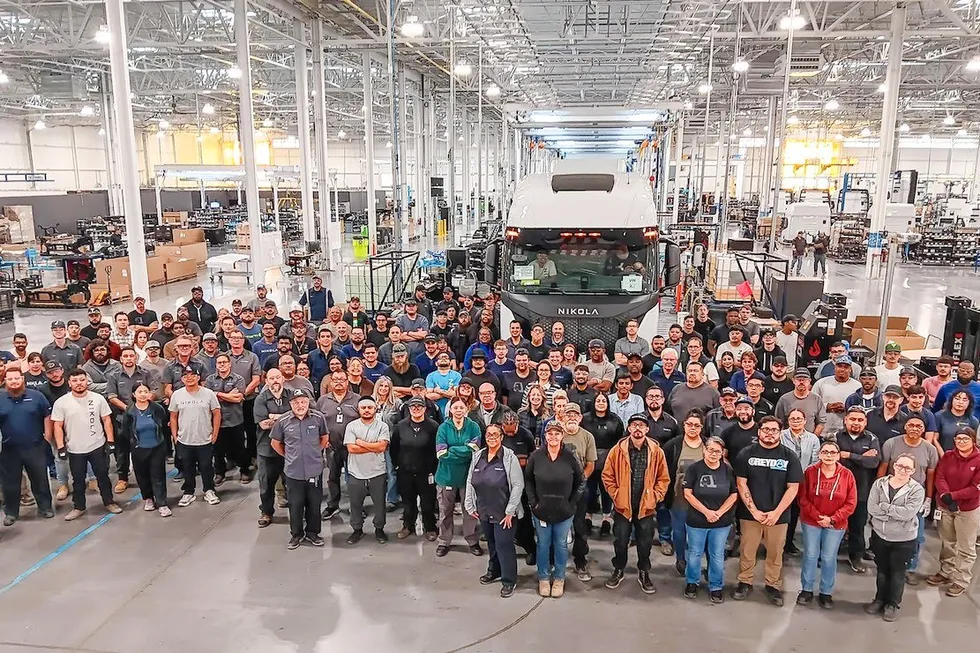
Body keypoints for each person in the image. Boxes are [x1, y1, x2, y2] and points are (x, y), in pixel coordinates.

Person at [732, 415, 803, 606]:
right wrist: (754, 510)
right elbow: (741, 483)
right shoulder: (746, 454)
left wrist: (776, 513)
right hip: (750, 514)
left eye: (774, 430)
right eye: (766, 429)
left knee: (775, 552)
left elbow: (793, 488)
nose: (769, 433)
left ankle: (773, 585)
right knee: (747, 550)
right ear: (759, 431)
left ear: (780, 433)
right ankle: (745, 581)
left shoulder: (789, 456)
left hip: (778, 516)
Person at [601, 414, 670, 594]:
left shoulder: (656, 451)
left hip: (646, 507)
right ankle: (619, 569)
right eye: (634, 425)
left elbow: (663, 478)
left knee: (645, 542)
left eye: (641, 425)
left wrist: (656, 496)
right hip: (623, 507)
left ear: (647, 429)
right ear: (629, 429)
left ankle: (644, 571)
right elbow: (607, 475)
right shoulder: (617, 450)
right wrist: (616, 494)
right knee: (621, 541)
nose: (638, 428)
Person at [52, 368, 122, 521]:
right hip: (75, 449)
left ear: (87, 381)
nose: (79, 383)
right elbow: (57, 426)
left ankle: (109, 502)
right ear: (69, 383)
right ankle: (79, 507)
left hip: (97, 446)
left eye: (82, 380)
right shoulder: (61, 402)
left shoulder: (98, 399)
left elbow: (106, 420)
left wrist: (110, 441)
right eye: (75, 381)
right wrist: (61, 447)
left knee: (103, 476)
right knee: (78, 480)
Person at [463, 424, 524, 599]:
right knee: (491, 543)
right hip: (483, 508)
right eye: (489, 434)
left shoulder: (509, 457)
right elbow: (470, 481)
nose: (492, 437)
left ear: (501, 437)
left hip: (504, 511)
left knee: (504, 545)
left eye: (495, 435)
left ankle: (508, 580)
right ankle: (494, 570)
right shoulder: (477, 456)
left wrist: (510, 511)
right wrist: (469, 504)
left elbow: (518, 485)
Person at [525, 420, 584, 598]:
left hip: (564, 511)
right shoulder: (536, 456)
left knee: (560, 545)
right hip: (541, 510)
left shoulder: (569, 456)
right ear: (545, 436)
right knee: (543, 544)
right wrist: (533, 502)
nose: (553, 436)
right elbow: (528, 480)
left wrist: (572, 503)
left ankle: (559, 578)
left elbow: (580, 482)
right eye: (550, 433)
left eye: (557, 433)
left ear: (562, 435)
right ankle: (543, 577)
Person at [877, 415, 938, 584]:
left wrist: (928, 498)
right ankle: (886, 564)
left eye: (919, 426)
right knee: (886, 532)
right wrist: (878, 492)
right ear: (905, 427)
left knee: (916, 536)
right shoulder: (891, 444)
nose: (914, 428)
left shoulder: (929, 449)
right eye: (911, 425)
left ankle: (910, 568)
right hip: (891, 494)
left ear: (924, 430)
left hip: (915, 497)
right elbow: (882, 468)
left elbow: (931, 475)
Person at [796, 440, 857, 609]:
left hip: (836, 524)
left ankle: (826, 592)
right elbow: (803, 497)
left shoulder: (847, 475)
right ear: (819, 454)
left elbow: (851, 502)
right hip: (811, 521)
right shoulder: (809, 472)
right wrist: (817, 516)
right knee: (810, 555)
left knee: (829, 557)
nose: (829, 455)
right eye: (825, 452)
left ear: (838, 456)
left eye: (832, 452)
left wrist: (832, 518)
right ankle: (806, 589)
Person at [865, 454, 925, 621]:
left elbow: (907, 514)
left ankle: (892, 604)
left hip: (904, 540)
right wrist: (892, 512)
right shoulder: (880, 484)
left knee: (897, 573)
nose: (902, 470)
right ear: (894, 465)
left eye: (907, 468)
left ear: (912, 470)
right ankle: (879, 599)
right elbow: (872, 508)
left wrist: (884, 507)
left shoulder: (917, 489)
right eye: (900, 466)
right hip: (880, 536)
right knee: (882, 570)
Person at [269, 389, 329, 550]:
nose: (300, 405)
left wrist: (315, 453)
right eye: (296, 402)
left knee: (314, 505)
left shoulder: (318, 418)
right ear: (290, 404)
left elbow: (324, 438)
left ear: (308, 402)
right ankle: (296, 534)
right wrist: (289, 456)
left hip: (314, 470)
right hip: (293, 472)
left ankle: (313, 533)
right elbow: (275, 443)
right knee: (295, 505)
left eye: (303, 401)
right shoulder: (283, 421)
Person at [681, 435, 738, 603]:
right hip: (697, 521)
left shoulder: (728, 470)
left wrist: (719, 513)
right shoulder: (694, 469)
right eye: (710, 450)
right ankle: (692, 582)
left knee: (717, 555)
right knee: (694, 553)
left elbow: (734, 494)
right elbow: (688, 494)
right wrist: (706, 512)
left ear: (722, 453)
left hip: (721, 522)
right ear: (704, 450)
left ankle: (716, 586)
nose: (714, 454)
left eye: (718, 451)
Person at [930, 427, 980, 597]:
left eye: (965, 439)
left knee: (966, 547)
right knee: (947, 542)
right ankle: (946, 572)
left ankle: (961, 580)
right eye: (958, 439)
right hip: (945, 506)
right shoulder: (948, 456)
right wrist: (945, 496)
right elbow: (940, 476)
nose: (961, 442)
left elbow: (976, 488)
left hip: (967, 510)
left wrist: (953, 497)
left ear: (973, 441)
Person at [0, 368, 54, 523]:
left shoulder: (36, 396)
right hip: (9, 449)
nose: (14, 381)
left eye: (17, 378)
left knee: (40, 479)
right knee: (10, 484)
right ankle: (11, 513)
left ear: (22, 379)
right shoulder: (1, 398)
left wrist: (47, 437)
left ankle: (45, 508)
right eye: (10, 379)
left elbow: (47, 416)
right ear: (5, 381)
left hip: (35, 447)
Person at [435, 398, 483, 557]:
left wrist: (452, 450)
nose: (458, 410)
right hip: (446, 477)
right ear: (450, 410)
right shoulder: (443, 428)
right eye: (455, 407)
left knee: (469, 510)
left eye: (461, 407)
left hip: (468, 477)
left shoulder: (473, 427)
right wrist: (464, 451)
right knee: (445, 511)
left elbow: (475, 450)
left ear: (466, 409)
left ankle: (472, 540)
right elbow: (441, 454)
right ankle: (444, 541)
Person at [835, 405, 881, 574]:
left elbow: (874, 462)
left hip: (861, 490)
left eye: (860, 420)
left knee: (857, 526)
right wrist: (862, 457)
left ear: (866, 422)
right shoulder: (835, 436)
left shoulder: (872, 438)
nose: (856, 423)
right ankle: (827, 554)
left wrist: (850, 455)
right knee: (834, 523)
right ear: (845, 420)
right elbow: (833, 458)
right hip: (836, 489)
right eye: (852, 419)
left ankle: (856, 557)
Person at [169, 363, 221, 508]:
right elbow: (173, 416)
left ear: (198, 377)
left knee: (206, 467)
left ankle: (209, 490)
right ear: (182, 378)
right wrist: (175, 435)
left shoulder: (209, 393)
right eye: (186, 375)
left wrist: (215, 433)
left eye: (193, 375)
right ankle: (188, 492)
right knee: (187, 467)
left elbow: (216, 413)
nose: (189, 378)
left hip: (205, 438)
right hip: (185, 439)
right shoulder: (177, 395)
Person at [663, 409, 707, 575]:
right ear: (684, 425)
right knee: (680, 531)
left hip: (703, 499)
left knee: (700, 534)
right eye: (689, 424)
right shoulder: (673, 445)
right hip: (679, 499)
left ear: (701, 427)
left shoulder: (708, 445)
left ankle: (697, 562)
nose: (693, 428)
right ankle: (681, 559)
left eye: (696, 425)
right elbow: (665, 470)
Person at [343, 395, 392, 545]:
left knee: (379, 505)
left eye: (369, 407)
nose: (366, 410)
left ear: (375, 409)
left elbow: (382, 447)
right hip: (355, 472)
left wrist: (361, 443)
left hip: (377, 472)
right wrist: (372, 446)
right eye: (363, 408)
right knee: (355, 504)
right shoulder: (351, 426)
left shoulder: (382, 426)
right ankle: (357, 529)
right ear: (359, 409)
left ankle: (379, 529)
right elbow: (351, 448)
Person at [391, 397, 440, 540]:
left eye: (419, 406)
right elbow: (394, 448)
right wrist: (398, 465)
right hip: (405, 472)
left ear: (425, 409)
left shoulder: (433, 426)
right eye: (413, 407)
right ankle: (408, 526)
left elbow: (437, 449)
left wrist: (433, 468)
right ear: (409, 409)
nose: (416, 409)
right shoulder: (400, 426)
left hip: (426, 472)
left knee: (427, 503)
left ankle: (430, 527)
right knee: (408, 503)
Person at [120, 382, 171, 517]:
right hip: (139, 449)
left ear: (149, 394)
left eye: (145, 391)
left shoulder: (157, 408)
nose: (143, 394)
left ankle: (162, 503)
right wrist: (133, 444)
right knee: (142, 476)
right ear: (134, 395)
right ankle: (148, 498)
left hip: (157, 447)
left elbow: (164, 423)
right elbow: (125, 431)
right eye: (139, 392)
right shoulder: (129, 412)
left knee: (158, 475)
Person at [205, 353, 252, 486]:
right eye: (219, 363)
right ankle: (220, 473)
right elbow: (208, 400)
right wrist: (228, 395)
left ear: (229, 363)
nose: (222, 365)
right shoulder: (210, 380)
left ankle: (244, 470)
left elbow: (238, 398)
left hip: (235, 419)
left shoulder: (239, 379)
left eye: (224, 362)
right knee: (217, 450)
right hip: (216, 422)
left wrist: (217, 395)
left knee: (239, 448)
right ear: (216, 365)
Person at [780, 408, 820, 554]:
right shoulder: (780, 436)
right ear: (788, 421)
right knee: (783, 513)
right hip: (782, 481)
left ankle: (789, 543)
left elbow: (815, 461)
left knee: (795, 514)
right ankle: (778, 545)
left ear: (805, 421)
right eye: (792, 419)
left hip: (803, 482)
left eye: (799, 418)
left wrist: (801, 476)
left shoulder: (813, 439)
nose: (795, 421)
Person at [254, 369, 289, 527]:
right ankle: (266, 512)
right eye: (271, 378)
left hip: (290, 448)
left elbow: (300, 415)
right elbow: (263, 424)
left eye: (277, 378)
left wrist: (273, 416)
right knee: (266, 484)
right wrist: (288, 417)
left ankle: (297, 512)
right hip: (267, 449)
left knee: (293, 483)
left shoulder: (293, 395)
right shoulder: (261, 399)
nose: (275, 381)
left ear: (283, 379)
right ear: (266, 381)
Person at [813, 355, 862, 433]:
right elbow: (812, 404)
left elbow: (862, 407)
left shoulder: (858, 386)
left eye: (846, 367)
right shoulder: (821, 383)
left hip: (847, 432)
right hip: (823, 430)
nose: (842, 369)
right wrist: (828, 406)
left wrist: (847, 407)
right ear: (835, 367)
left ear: (850, 369)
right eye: (839, 366)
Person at [935, 388, 979, 453]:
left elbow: (974, 443)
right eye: (957, 399)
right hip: (943, 456)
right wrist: (943, 456)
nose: (960, 402)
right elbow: (934, 439)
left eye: (964, 400)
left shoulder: (973, 421)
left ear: (969, 403)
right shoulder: (939, 416)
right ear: (951, 400)